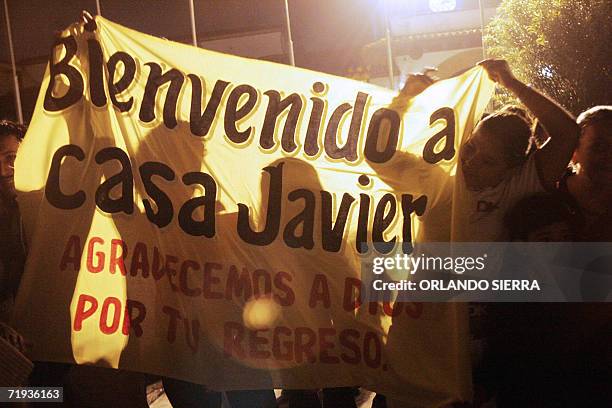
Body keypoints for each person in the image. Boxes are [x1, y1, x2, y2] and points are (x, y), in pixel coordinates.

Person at [455, 59, 580, 242]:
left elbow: (567, 133)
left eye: (488, 161)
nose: (471, 161)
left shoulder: (516, 187)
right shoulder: (444, 172)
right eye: (470, 147)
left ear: (511, 170)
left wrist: (512, 83)